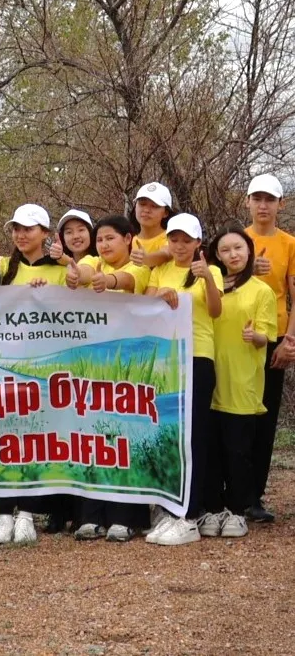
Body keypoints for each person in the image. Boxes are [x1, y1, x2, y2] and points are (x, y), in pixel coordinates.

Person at [0, 203, 69, 543]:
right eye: (16, 228)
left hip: (43, 367)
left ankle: (28, 512)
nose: (21, 234)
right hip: (2, 365)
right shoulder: (0, 266)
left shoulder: (58, 269)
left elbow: (78, 307)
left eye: (28, 228)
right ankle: (2, 513)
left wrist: (61, 278)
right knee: (1, 438)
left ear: (45, 233)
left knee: (36, 439)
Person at [68, 214, 153, 541]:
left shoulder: (139, 266)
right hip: (91, 364)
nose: (104, 245)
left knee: (124, 436)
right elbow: (85, 272)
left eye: (110, 238)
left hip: (128, 365)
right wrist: (77, 275)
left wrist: (108, 282)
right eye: (100, 239)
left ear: (128, 238)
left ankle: (126, 516)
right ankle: (91, 515)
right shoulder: (91, 260)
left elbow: (125, 281)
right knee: (91, 437)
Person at [144, 213, 222, 546]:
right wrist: (159, 295)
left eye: (186, 240)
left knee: (195, 435)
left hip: (198, 357)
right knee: (170, 433)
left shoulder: (211, 270)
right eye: (174, 240)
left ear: (197, 244)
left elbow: (217, 311)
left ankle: (190, 514)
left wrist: (205, 279)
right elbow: (142, 307)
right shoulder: (160, 270)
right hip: (167, 359)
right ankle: (172, 508)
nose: (179, 246)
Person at [202, 228, 276, 540]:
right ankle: (214, 508)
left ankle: (237, 510)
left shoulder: (262, 291)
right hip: (210, 377)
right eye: (226, 250)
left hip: (243, 380)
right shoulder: (212, 286)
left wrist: (255, 336)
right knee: (213, 449)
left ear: (248, 251)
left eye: (238, 248)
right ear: (217, 255)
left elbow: (268, 336)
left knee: (239, 450)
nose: (233, 255)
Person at [244, 174, 294, 523]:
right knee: (233, 416)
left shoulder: (290, 244)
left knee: (265, 416)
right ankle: (229, 493)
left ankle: (253, 497)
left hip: (274, 338)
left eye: (269, 199)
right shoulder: (236, 240)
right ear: (247, 201)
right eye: (257, 198)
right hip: (236, 338)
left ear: (281, 204)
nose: (263, 205)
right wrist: (248, 268)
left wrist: (289, 341)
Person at [130, 183, 174, 269]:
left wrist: (147, 259)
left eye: (154, 206)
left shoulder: (171, 237)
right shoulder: (130, 240)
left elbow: (166, 254)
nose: (146, 210)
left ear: (165, 213)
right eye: (142, 204)